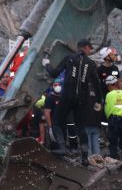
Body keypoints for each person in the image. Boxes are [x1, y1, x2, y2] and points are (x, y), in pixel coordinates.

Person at [43, 38, 103, 166]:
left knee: (57, 122)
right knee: (81, 127)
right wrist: (98, 100)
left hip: (66, 97)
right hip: (82, 100)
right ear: (86, 47)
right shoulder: (90, 63)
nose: (90, 51)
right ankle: (85, 158)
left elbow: (54, 73)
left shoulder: (69, 58)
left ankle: (62, 147)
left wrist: (46, 63)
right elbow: (97, 84)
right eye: (90, 48)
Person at [104, 75, 122, 170]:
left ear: (109, 85)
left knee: (113, 144)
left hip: (114, 120)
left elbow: (107, 110)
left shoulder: (109, 95)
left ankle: (114, 165)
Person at [44, 78, 65, 152]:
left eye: (59, 85)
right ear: (52, 87)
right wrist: (50, 126)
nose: (57, 86)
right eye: (55, 85)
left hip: (62, 123)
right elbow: (47, 113)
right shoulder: (50, 98)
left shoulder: (63, 97)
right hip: (54, 123)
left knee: (62, 139)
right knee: (57, 141)